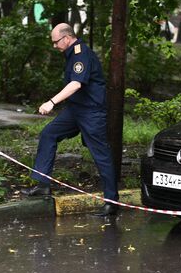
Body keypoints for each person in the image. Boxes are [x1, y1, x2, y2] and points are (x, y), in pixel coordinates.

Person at [20, 23, 119, 216]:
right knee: (48, 134)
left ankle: (111, 202)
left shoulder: (81, 54)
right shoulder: (72, 54)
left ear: (66, 38)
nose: (55, 46)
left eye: (56, 42)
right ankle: (43, 184)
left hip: (91, 112)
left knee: (101, 155)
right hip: (75, 110)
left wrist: (51, 102)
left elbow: (76, 84)